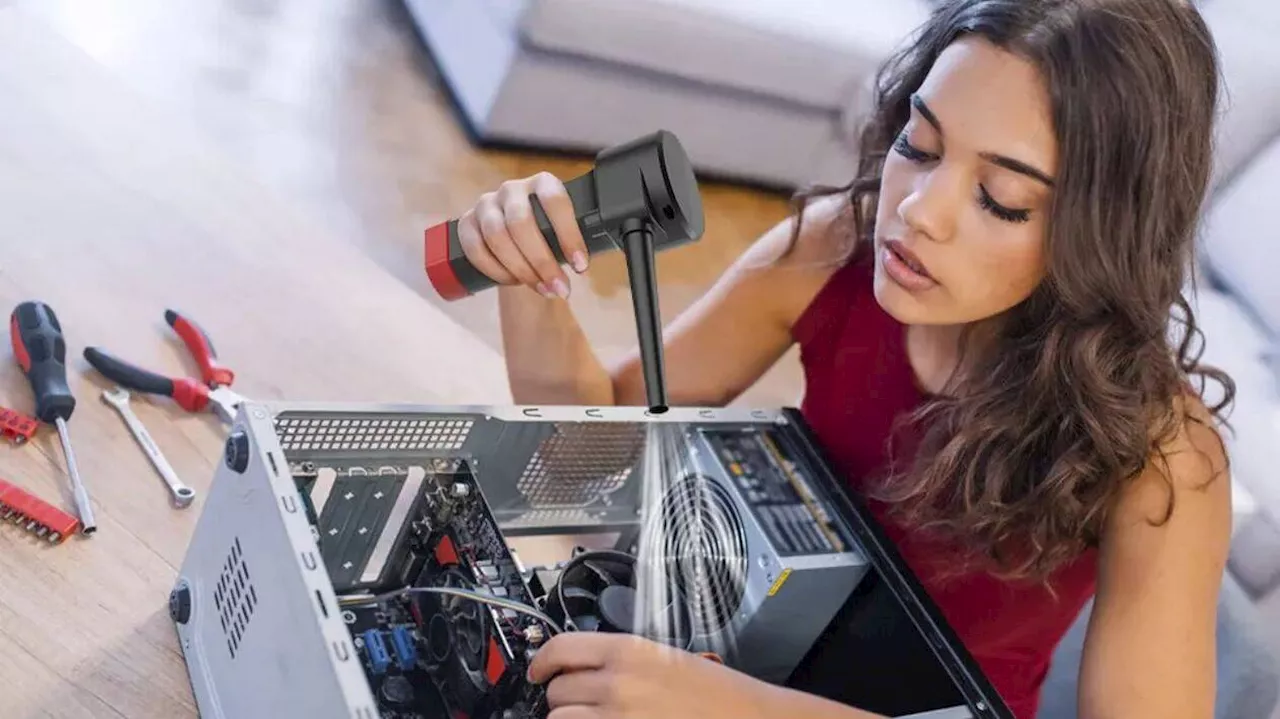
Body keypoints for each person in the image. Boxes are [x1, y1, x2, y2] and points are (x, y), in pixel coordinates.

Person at [449, 1, 1235, 717]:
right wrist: (532, 273)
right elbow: (585, 457)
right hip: (716, 669)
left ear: (1106, 231)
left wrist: (734, 709)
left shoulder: (1163, 456)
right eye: (918, 145)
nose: (917, 212)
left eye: (1001, 199)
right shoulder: (832, 248)